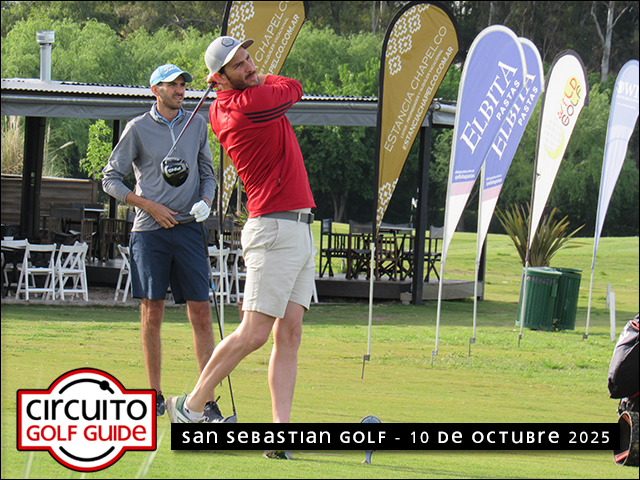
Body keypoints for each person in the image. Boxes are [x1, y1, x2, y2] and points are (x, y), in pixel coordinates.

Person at [166, 37, 316, 457]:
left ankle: (280, 436)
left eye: (249, 58)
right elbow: (293, 88)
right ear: (219, 78)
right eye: (238, 65)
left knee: (290, 332)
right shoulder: (244, 107)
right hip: (273, 228)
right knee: (254, 332)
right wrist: (262, 77)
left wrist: (247, 76)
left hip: (299, 226)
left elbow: (280, 90)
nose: (249, 67)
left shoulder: (230, 103)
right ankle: (191, 406)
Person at [102, 64, 224, 422]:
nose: (180, 89)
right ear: (155, 90)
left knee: (201, 313)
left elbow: (208, 174)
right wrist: (147, 205)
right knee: (152, 311)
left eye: (183, 84)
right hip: (149, 231)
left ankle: (206, 401)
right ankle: (153, 396)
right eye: (172, 85)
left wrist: (206, 200)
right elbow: (110, 179)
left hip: (188, 229)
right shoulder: (137, 128)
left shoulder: (197, 125)